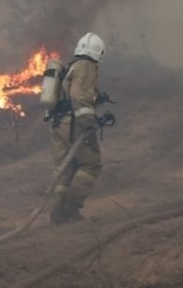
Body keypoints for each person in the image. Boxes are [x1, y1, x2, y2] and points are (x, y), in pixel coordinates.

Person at [50, 32, 105, 225]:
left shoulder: (71, 65)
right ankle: (71, 209)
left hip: (59, 124)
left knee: (65, 169)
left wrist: (98, 100)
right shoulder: (86, 66)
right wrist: (89, 123)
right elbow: (79, 98)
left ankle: (56, 213)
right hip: (74, 126)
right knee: (91, 164)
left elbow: (69, 95)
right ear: (99, 52)